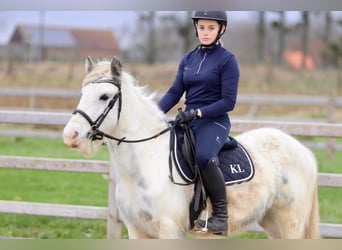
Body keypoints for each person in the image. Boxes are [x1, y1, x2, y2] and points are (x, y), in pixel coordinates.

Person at [158, 11, 240, 236]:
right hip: (188, 120)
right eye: (202, 28)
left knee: (204, 156)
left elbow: (228, 101)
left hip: (214, 120)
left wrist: (199, 113)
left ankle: (220, 216)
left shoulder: (227, 60)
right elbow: (175, 91)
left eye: (210, 28)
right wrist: (153, 115)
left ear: (221, 29)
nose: (205, 33)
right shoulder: (188, 59)